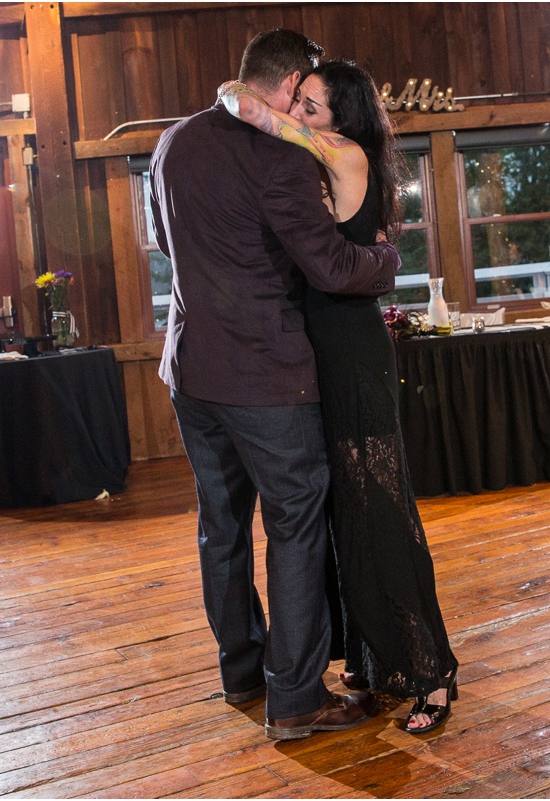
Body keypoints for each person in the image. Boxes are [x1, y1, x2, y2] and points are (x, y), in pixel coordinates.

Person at [150, 29, 399, 740]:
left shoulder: (173, 141)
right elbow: (332, 267)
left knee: (221, 526)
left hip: (189, 369)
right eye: (307, 91)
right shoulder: (281, 157)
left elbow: (163, 240)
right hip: (266, 378)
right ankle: (294, 699)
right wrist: (385, 259)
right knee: (295, 526)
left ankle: (241, 673)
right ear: (291, 85)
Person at [219, 59, 459, 734]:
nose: (299, 116)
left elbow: (247, 105)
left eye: (313, 107)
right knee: (344, 515)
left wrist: (246, 92)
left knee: (381, 511)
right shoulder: (326, 163)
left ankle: (432, 673)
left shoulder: (343, 151)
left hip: (352, 357)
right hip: (320, 357)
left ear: (341, 120)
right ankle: (374, 657)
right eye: (301, 104)